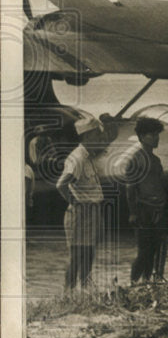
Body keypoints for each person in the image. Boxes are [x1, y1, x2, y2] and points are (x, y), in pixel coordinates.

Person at [56, 115, 106, 290]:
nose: (99, 139)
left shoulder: (88, 157)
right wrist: (75, 203)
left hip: (92, 210)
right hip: (81, 212)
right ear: (87, 136)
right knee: (76, 255)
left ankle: (85, 288)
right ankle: (68, 292)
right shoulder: (77, 158)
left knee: (89, 252)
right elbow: (61, 184)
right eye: (96, 136)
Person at [125, 117, 168, 283]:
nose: (156, 138)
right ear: (142, 137)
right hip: (144, 209)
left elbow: (159, 185)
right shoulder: (135, 160)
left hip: (158, 209)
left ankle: (148, 281)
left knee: (156, 248)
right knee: (144, 251)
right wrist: (133, 213)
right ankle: (133, 282)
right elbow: (130, 188)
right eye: (152, 135)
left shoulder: (156, 161)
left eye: (157, 134)